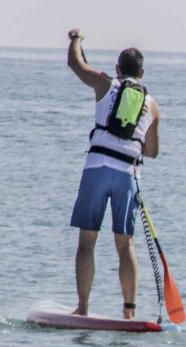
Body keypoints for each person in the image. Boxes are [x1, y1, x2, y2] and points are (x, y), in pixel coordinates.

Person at [66, 28, 161, 319]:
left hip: (96, 169)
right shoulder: (152, 105)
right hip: (127, 175)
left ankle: (83, 308)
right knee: (125, 244)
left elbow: (75, 64)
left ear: (118, 69)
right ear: (142, 73)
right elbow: (152, 151)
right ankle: (129, 313)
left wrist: (76, 39)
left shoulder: (105, 84)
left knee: (87, 242)